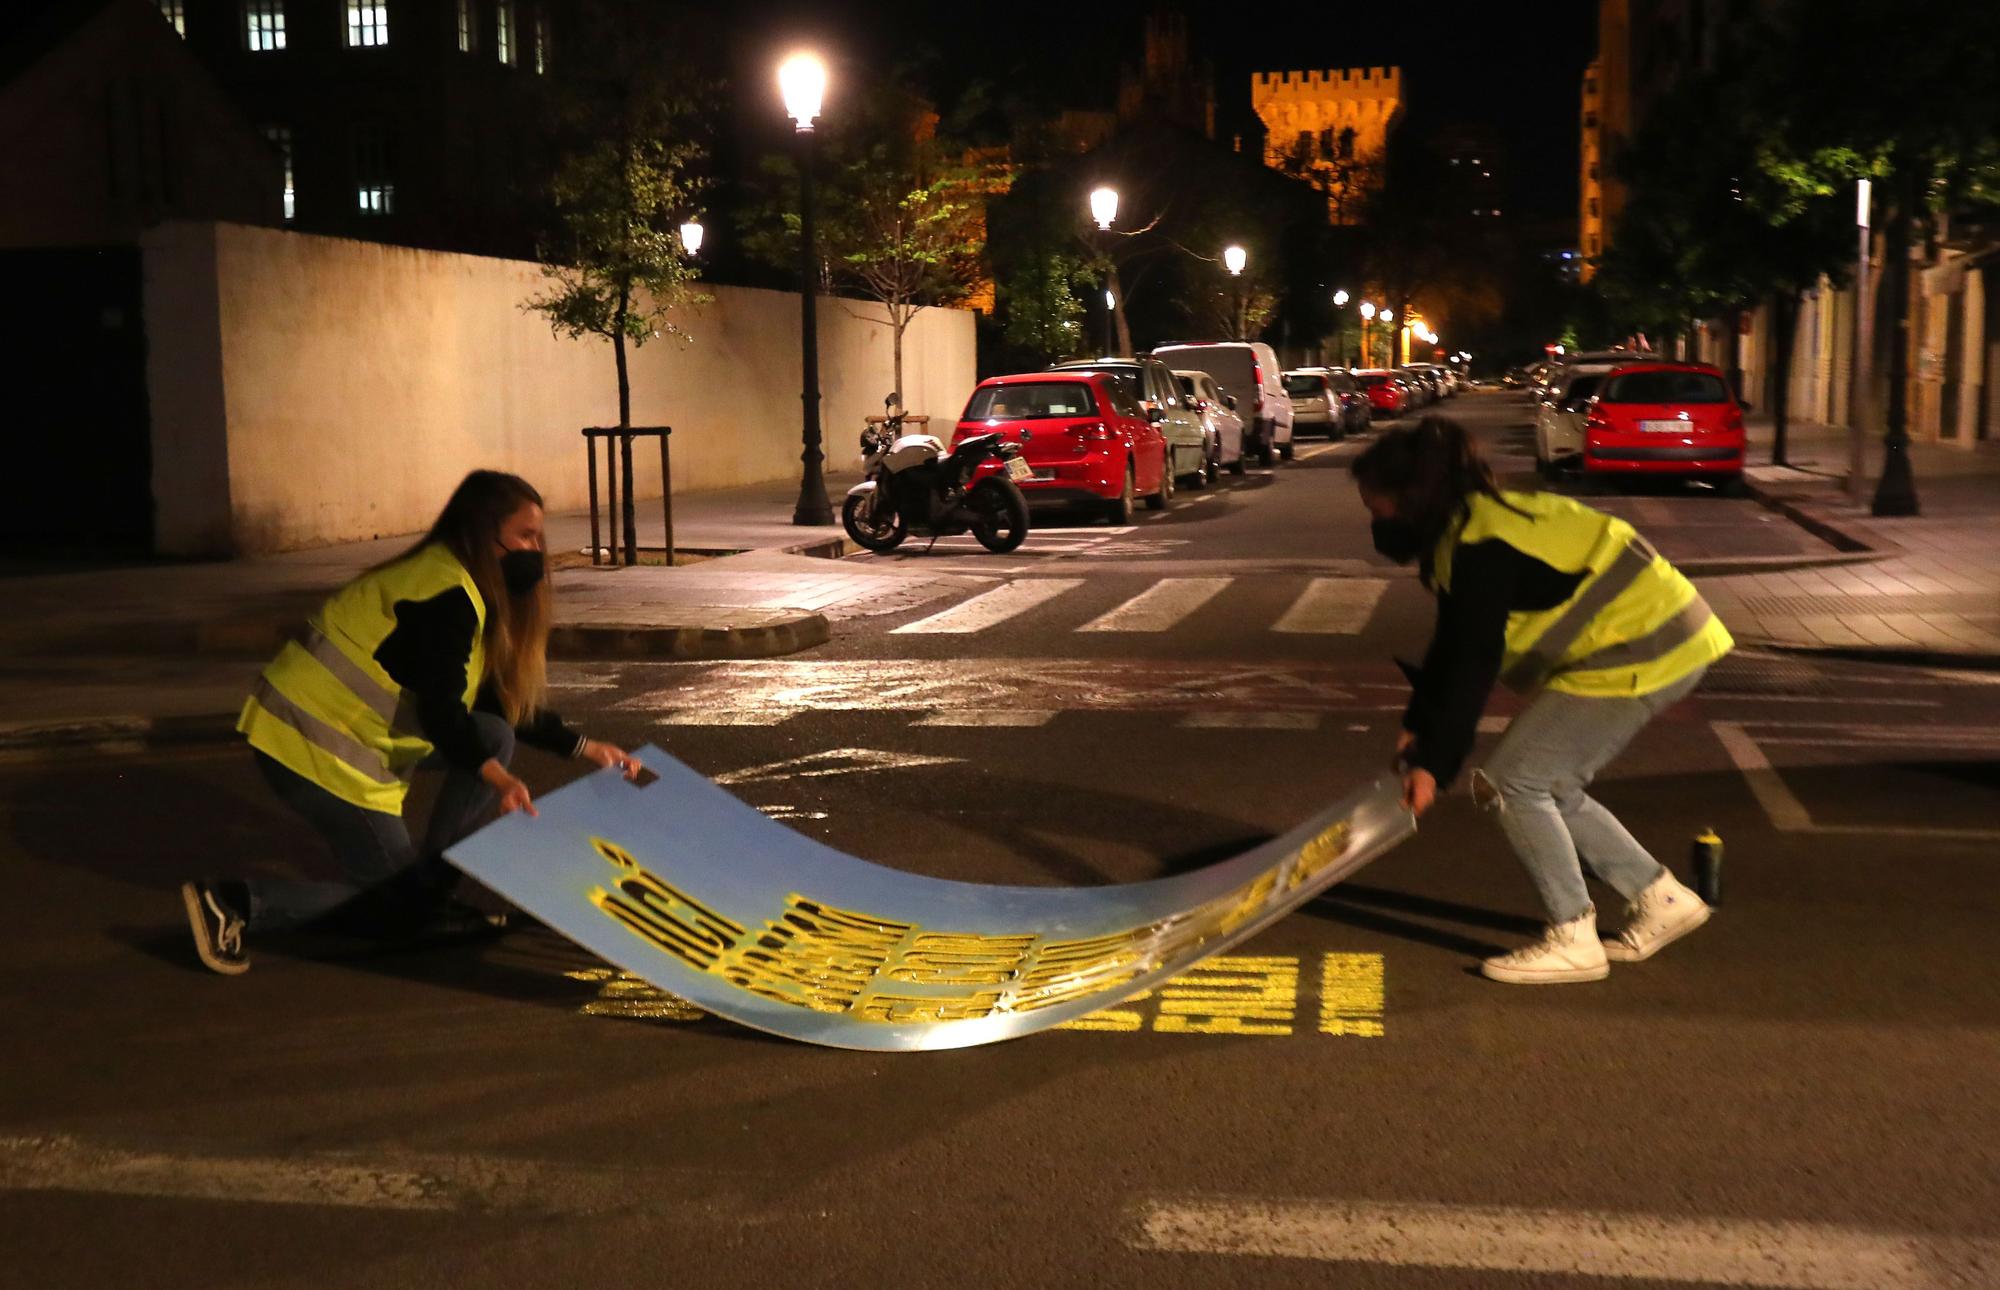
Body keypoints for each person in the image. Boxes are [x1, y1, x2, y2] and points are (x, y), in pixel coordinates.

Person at [181, 470, 641, 975]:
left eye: (539, 537)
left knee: (492, 734)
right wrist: (500, 779)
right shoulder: (447, 597)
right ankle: (238, 904)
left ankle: (433, 889)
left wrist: (584, 747)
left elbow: (491, 700)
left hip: (333, 738)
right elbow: (442, 715)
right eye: (525, 536)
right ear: (483, 534)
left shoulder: (452, 579)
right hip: (312, 747)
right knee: (397, 908)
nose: (537, 550)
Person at [1352, 419, 1733, 984]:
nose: (1377, 525)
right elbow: (1453, 644)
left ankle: (1572, 936)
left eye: (1378, 511)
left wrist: (1435, 765)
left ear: (1412, 502)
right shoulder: (1472, 529)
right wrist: (1419, 726)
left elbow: (1474, 661)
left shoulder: (1482, 546)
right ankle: (1662, 900)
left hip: (1643, 647)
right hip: (1658, 639)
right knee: (1549, 783)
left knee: (1512, 782)